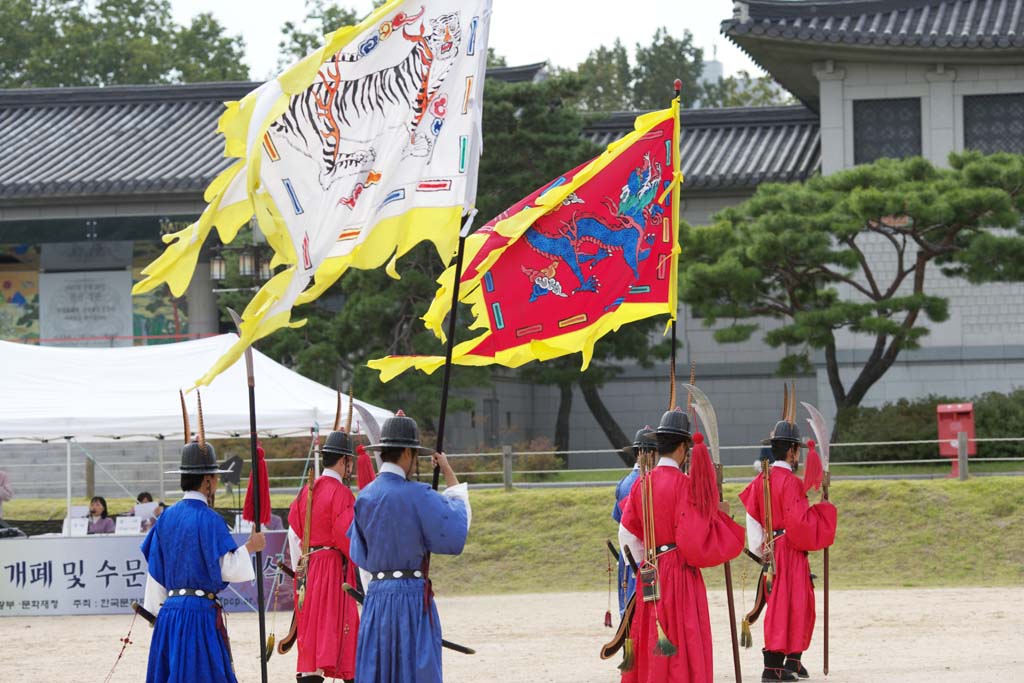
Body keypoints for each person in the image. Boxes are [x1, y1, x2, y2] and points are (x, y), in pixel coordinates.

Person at [141, 392, 266, 683]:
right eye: (215, 477)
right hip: (198, 616)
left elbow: (155, 575)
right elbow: (227, 568)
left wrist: (155, 615)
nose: (217, 482)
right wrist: (250, 547)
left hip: (170, 615)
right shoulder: (209, 519)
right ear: (208, 480)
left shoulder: (166, 517)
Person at [618, 408, 744, 683]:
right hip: (679, 571)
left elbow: (626, 535)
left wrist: (644, 563)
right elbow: (694, 542)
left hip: (650, 571)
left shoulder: (642, 485)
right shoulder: (686, 486)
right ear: (682, 449)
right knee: (683, 635)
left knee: (653, 632)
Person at [347, 411, 470, 683]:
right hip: (410, 599)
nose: (415, 462)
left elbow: (359, 555)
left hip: (377, 600)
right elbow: (455, 532)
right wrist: (448, 470)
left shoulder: (364, 497)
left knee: (377, 673)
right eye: (414, 454)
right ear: (406, 452)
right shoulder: (418, 493)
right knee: (415, 673)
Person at [739, 414, 837, 682]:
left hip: (773, 548)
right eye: (798, 452)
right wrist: (824, 513)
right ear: (792, 451)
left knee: (795, 604)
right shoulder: (792, 483)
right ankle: (772, 667)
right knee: (788, 605)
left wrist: (761, 550)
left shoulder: (761, 479)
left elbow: (752, 517)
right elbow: (800, 524)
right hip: (789, 550)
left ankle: (792, 661)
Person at [286, 426, 361, 683]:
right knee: (343, 634)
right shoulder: (340, 493)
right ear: (344, 461)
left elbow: (294, 535)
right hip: (332, 570)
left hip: (308, 570)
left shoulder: (307, 490)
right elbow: (348, 539)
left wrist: (304, 562)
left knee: (313, 639)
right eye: (350, 462)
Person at [612, 428, 652, 618]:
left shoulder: (623, 483)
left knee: (627, 609)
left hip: (627, 553)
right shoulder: (647, 483)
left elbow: (618, 519)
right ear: (649, 454)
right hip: (645, 554)